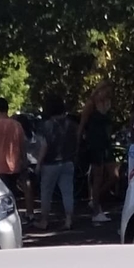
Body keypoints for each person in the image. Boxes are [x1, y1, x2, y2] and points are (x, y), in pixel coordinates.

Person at [37, 97, 77, 230]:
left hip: (50, 163)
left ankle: (44, 221)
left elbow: (44, 145)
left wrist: (38, 163)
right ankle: (68, 220)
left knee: (46, 192)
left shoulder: (47, 125)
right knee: (67, 192)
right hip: (68, 162)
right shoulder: (71, 124)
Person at [77, 86, 116, 219]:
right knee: (97, 175)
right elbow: (82, 124)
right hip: (95, 142)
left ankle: (95, 198)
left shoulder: (108, 105)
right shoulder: (91, 104)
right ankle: (96, 209)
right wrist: (78, 143)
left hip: (106, 142)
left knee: (114, 175)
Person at [0, 98, 27, 201]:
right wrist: (24, 161)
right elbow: (22, 146)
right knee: (12, 192)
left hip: (0, 166)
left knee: (1, 194)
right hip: (15, 166)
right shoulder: (17, 125)